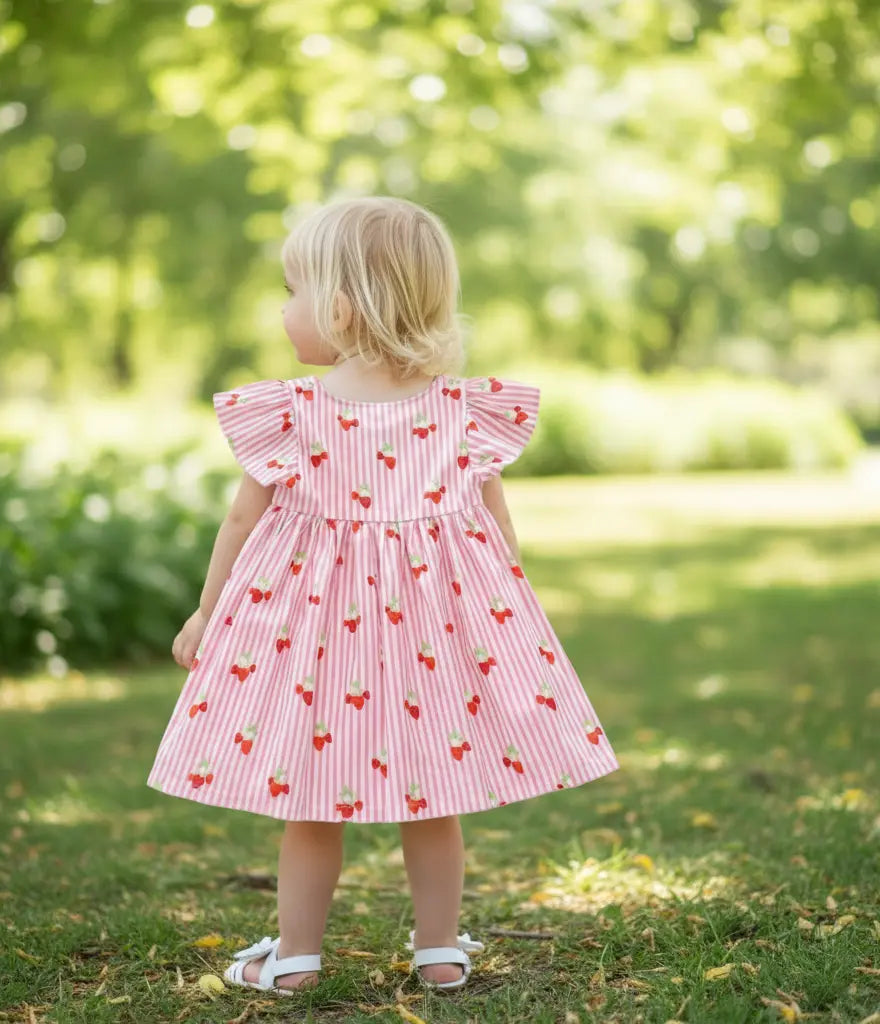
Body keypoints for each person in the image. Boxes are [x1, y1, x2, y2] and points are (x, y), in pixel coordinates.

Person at [146, 195, 619, 996]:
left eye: (293, 291)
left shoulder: (294, 415)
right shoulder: (458, 412)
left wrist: (209, 608)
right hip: (432, 640)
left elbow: (240, 518)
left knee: (310, 797)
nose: (283, 309)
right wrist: (507, 609)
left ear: (339, 304)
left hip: (318, 646)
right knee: (436, 792)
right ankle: (438, 951)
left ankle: (296, 957)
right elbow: (496, 529)